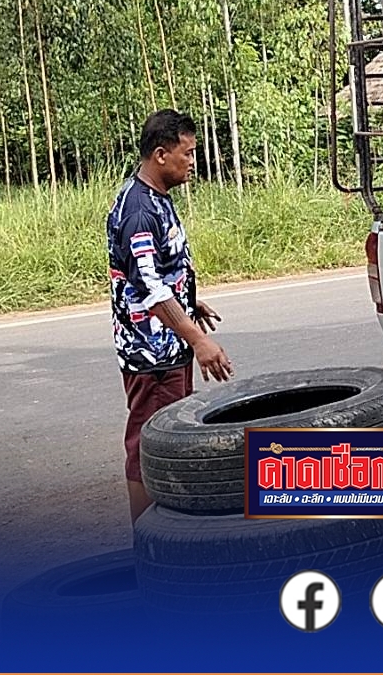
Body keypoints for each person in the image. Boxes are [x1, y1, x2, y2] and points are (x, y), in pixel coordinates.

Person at [106, 109, 235, 522]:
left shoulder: (154, 198)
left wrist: (189, 301)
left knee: (170, 434)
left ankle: (169, 528)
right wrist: (198, 339)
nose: (192, 162)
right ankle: (150, 536)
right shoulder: (139, 211)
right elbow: (147, 286)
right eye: (188, 153)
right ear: (161, 155)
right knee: (150, 441)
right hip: (152, 355)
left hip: (168, 341)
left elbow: (157, 271)